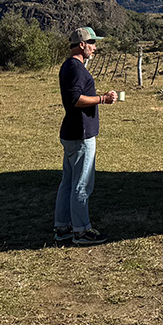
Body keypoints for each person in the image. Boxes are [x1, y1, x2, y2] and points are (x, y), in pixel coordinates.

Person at [54, 26, 117, 246]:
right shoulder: (76, 68)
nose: (95, 48)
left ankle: (63, 227)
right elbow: (75, 99)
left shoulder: (69, 66)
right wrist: (102, 99)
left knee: (69, 182)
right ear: (82, 44)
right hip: (80, 134)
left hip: (72, 132)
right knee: (82, 184)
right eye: (92, 43)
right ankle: (81, 231)